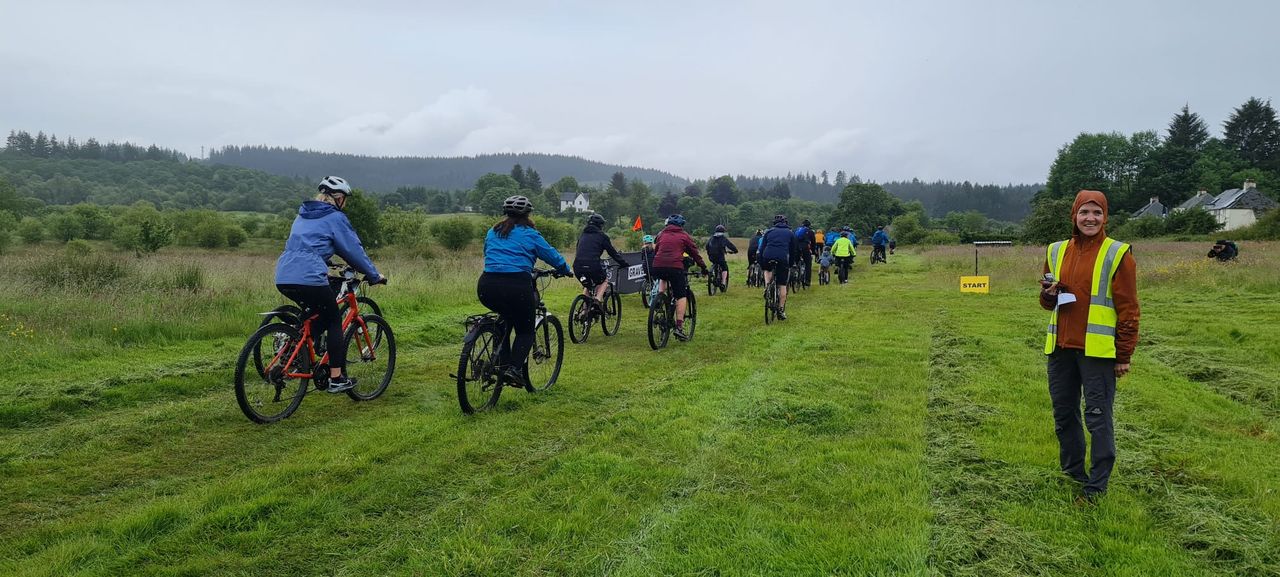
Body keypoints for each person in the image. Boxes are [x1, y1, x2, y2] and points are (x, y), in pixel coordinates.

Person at [1039, 189, 1139, 502]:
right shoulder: (1056, 250)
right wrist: (1049, 294)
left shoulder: (1118, 253)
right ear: (1074, 216)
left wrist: (1123, 354)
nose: (1090, 218)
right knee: (1064, 414)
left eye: (1097, 213)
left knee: (1097, 416)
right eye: (1084, 212)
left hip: (1097, 352)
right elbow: (1046, 301)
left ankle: (1096, 487)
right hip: (1061, 349)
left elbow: (1129, 308)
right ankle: (1072, 473)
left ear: (1105, 217)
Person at [274, 176, 386, 393]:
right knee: (334, 318)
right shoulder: (335, 217)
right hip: (309, 277)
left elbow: (305, 246)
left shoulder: (302, 216)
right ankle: (336, 378)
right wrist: (373, 275)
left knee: (314, 317)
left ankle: (291, 356)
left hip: (283, 275)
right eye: (345, 199)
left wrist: (323, 260)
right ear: (339, 198)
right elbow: (354, 251)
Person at [479, 195, 572, 388]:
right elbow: (551, 255)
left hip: (487, 285)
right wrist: (564, 269)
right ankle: (514, 370)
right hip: (516, 286)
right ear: (528, 214)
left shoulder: (493, 231)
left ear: (506, 213)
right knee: (526, 330)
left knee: (505, 319)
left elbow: (487, 251)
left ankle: (500, 362)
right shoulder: (530, 234)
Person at [651, 214, 706, 340]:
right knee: (681, 295)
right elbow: (695, 253)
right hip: (675, 267)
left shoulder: (661, 234)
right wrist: (703, 267)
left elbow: (656, 250)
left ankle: (660, 297)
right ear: (681, 225)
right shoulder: (684, 235)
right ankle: (679, 327)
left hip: (658, 265)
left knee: (663, 277)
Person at [573, 213, 629, 315]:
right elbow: (612, 253)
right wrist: (623, 263)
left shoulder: (582, 235)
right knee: (604, 280)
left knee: (588, 285)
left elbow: (579, 250)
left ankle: (584, 311)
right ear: (600, 225)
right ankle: (597, 301)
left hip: (577, 267)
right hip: (593, 265)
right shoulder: (602, 236)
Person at [760, 214, 799, 319]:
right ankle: (781, 310)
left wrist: (761, 261)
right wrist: (791, 264)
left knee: (767, 269)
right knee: (782, 284)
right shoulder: (790, 233)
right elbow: (792, 251)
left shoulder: (768, 232)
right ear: (786, 223)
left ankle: (767, 286)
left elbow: (762, 247)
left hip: (767, 255)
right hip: (782, 258)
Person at [704, 224, 739, 290]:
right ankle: (723, 283)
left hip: (711, 257)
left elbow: (707, 246)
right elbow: (730, 245)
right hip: (720, 257)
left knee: (715, 264)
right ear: (723, 231)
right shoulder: (723, 238)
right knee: (724, 267)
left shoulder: (711, 238)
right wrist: (735, 251)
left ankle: (713, 275)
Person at [794, 219, 816, 287]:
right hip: (805, 248)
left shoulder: (797, 230)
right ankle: (807, 281)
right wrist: (813, 251)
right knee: (808, 264)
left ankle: (794, 276)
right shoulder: (810, 232)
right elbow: (813, 243)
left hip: (797, 248)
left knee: (795, 262)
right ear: (809, 225)